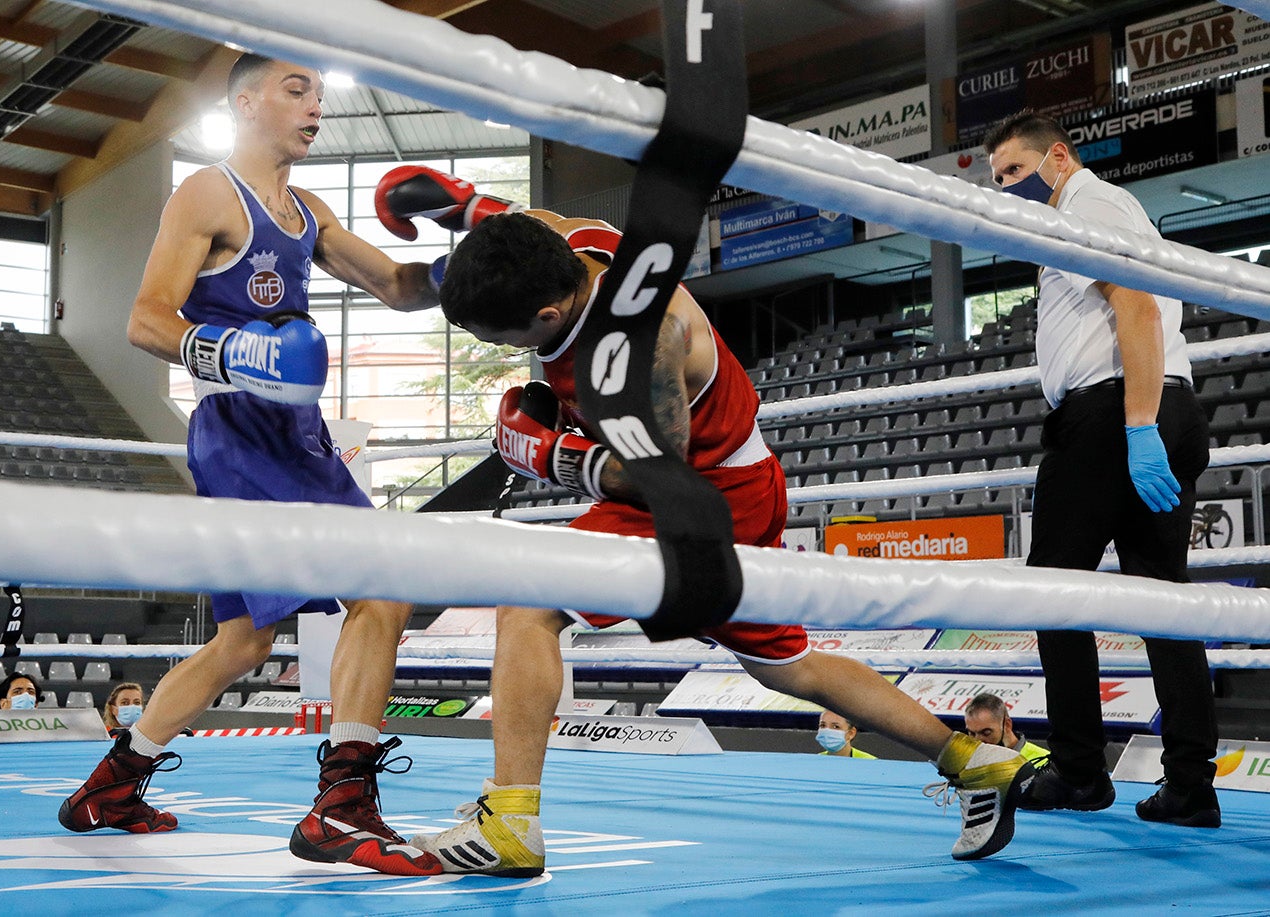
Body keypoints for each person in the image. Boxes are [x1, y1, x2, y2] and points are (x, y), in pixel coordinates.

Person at [370, 175, 1034, 873]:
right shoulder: (564, 242)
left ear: (545, 311)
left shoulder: (642, 348)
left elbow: (663, 479)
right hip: (736, 477)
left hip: (705, 494)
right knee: (790, 665)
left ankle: (511, 822)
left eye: (500, 337)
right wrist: (465, 207)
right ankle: (972, 759)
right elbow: (517, 219)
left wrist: (552, 455)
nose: (501, 348)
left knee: (530, 598)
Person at [56, 53, 449, 875]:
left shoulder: (305, 209)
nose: (315, 108)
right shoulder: (207, 193)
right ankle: (341, 805)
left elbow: (400, 288)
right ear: (244, 102)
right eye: (296, 90)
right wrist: (238, 352)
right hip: (239, 431)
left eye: (319, 94)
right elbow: (145, 319)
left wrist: (469, 250)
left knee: (242, 640)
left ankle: (111, 785)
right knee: (383, 587)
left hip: (298, 438)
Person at [985, 111, 1219, 828]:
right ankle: (1189, 784)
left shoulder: (1089, 204)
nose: (1005, 187)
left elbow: (1138, 310)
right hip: (1148, 406)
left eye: (1015, 171)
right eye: (996, 180)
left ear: (1058, 157)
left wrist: (1138, 425)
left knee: (1056, 592)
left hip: (1115, 413)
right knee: (1161, 603)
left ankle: (1081, 769)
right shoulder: (1077, 217)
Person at [963, 693, 1047, 764]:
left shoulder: (1043, 761)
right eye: (972, 733)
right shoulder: (966, 763)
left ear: (1007, 724)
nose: (978, 742)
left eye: (986, 733)